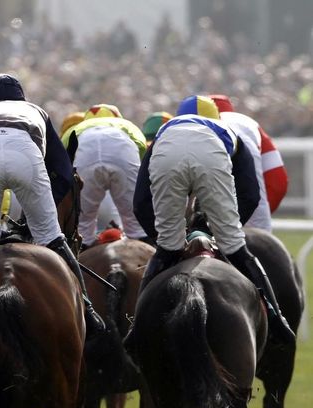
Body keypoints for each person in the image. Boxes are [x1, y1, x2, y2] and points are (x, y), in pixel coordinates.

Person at [0, 73, 105, 336]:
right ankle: (88, 310)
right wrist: (45, 207)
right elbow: (63, 169)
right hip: (25, 153)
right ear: (20, 96)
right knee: (52, 238)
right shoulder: (35, 110)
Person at [133, 95, 295, 345]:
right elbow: (251, 195)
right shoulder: (227, 131)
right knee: (236, 247)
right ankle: (277, 320)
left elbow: (141, 202)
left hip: (167, 152)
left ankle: (136, 328)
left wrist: (166, 241)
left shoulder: (165, 132)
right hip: (211, 153)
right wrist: (224, 231)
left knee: (166, 248)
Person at [63, 103, 149, 249]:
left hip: (85, 154)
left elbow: (65, 162)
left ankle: (80, 258)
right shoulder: (127, 125)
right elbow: (141, 153)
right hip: (123, 153)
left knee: (83, 225)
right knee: (136, 222)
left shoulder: (74, 129)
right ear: (117, 117)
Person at [210, 95, 288, 232]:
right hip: (249, 208)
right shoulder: (248, 123)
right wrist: (255, 219)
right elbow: (278, 182)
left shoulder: (197, 125)